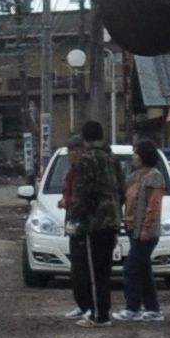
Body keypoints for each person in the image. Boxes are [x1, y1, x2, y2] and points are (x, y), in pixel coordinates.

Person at [61, 120, 120, 323]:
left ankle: (98, 315)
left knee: (94, 273)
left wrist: (76, 218)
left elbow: (82, 192)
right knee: (104, 271)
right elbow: (120, 186)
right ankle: (102, 312)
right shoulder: (111, 158)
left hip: (94, 222)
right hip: (112, 219)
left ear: (84, 139)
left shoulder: (87, 160)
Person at [121, 145, 170, 325]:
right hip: (133, 228)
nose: (133, 157)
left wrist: (146, 229)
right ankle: (152, 308)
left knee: (131, 268)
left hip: (145, 232)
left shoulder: (154, 177)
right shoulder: (135, 177)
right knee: (143, 270)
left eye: (136, 153)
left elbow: (153, 206)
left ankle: (133, 307)